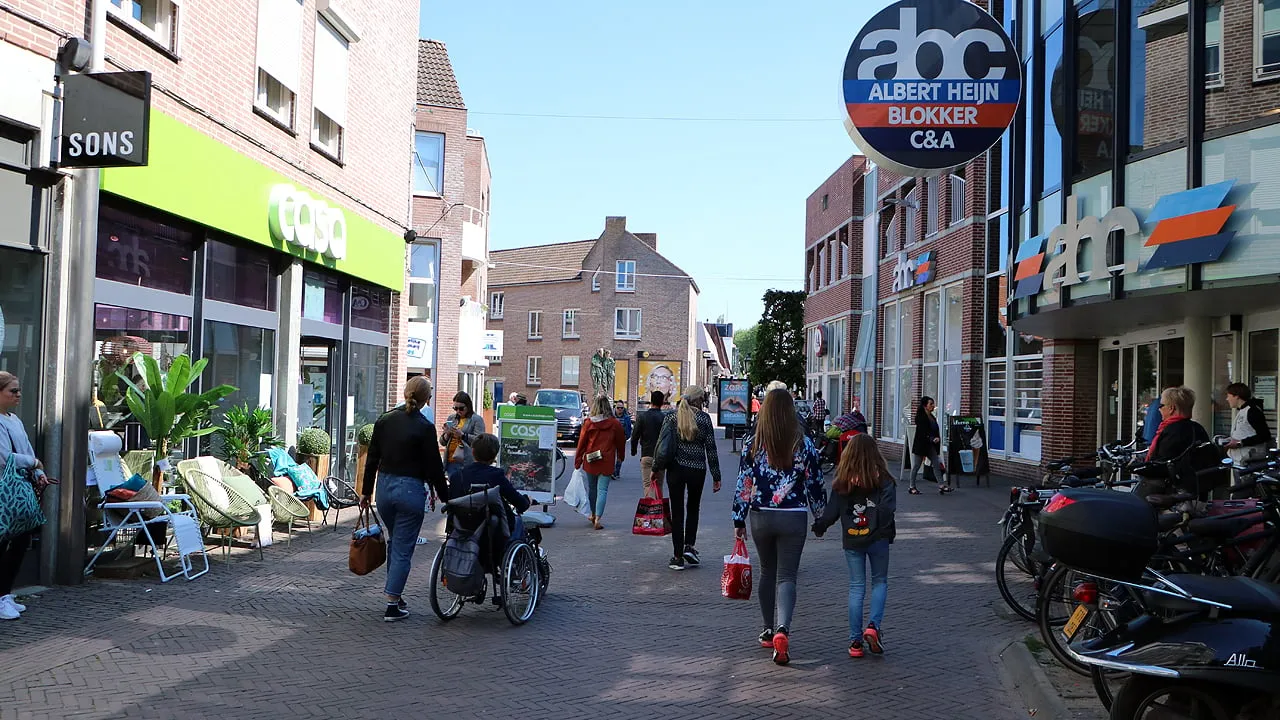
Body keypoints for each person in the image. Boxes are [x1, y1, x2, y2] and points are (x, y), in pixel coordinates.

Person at [732, 388, 826, 665]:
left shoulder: (753, 443)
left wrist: (739, 519)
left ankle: (767, 629)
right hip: (793, 516)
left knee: (766, 571)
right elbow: (815, 484)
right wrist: (820, 516)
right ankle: (783, 629)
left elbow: (743, 484)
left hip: (761, 515)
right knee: (787, 575)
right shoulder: (804, 444)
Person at [361, 376, 448, 622]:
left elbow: (372, 460)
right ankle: (392, 604)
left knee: (395, 543)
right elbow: (434, 468)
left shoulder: (385, 420)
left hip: (385, 489)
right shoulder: (423, 426)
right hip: (410, 491)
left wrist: (366, 492)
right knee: (401, 548)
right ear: (426, 399)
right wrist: (446, 498)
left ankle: (395, 596)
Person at [813, 434, 897, 659]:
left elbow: (831, 511)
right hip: (878, 538)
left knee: (856, 586)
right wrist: (879, 526)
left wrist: (820, 526)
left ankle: (855, 641)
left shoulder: (842, 481)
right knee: (879, 581)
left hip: (852, 539)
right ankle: (873, 626)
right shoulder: (885, 479)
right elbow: (888, 509)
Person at [0, 372, 56, 621]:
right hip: (5, 491)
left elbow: (26, 450)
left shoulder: (15, 420)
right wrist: (33, 462)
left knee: (21, 541)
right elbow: (3, 457)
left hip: (19, 491)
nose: (19, 395)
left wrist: (38, 471)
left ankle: (5, 593)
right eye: (13, 391)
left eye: (19, 390)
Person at [652, 387, 721, 570]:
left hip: (676, 470)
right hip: (698, 470)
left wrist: (655, 469)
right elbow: (711, 449)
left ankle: (677, 556)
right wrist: (716, 475)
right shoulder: (704, 419)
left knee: (677, 510)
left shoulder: (671, 417)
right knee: (693, 508)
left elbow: (661, 446)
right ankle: (689, 547)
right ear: (698, 400)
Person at [447, 434, 531, 577]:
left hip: (462, 527)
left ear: (472, 452)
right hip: (491, 533)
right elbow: (517, 501)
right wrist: (526, 501)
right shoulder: (496, 475)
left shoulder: (457, 476)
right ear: (494, 456)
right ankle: (515, 564)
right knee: (517, 522)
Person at [1137, 386, 1212, 498]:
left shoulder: (1173, 432)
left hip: (1173, 496)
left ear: (1171, 408)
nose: (1158, 409)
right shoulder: (1197, 428)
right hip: (1196, 494)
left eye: (1161, 405)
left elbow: (1163, 466)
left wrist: (1138, 468)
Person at [575, 395, 626, 530]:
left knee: (592, 489)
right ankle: (598, 518)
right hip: (607, 460)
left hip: (591, 459)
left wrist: (578, 460)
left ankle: (592, 514)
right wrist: (621, 456)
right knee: (602, 490)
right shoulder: (615, 424)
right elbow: (621, 442)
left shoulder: (588, 423)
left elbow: (581, 443)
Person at [908, 396, 950, 495]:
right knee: (917, 466)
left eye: (933, 404)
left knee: (936, 463)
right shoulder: (920, 417)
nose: (933, 406)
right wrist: (931, 438)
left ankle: (941, 485)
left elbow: (934, 429)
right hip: (922, 445)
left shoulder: (932, 416)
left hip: (930, 445)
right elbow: (922, 432)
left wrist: (936, 437)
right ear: (925, 405)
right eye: (930, 404)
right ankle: (912, 486)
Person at [1224, 383, 1272, 467]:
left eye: (1229, 396)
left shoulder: (1252, 411)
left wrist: (1240, 443)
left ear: (1237, 396)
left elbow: (1265, 435)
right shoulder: (1243, 411)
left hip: (1250, 461)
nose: (1227, 399)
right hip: (1241, 460)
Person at [440, 391, 485, 477]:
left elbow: (481, 441)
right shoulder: (452, 418)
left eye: (461, 408)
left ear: (468, 406)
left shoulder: (476, 419)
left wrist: (463, 435)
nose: (458, 411)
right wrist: (447, 434)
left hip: (466, 461)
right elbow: (442, 442)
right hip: (450, 461)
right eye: (455, 408)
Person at [632, 391, 667, 499]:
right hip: (660, 457)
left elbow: (635, 436)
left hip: (646, 455)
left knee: (648, 485)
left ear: (651, 401)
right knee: (659, 485)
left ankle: (651, 513)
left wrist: (634, 450)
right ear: (662, 402)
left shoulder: (643, 417)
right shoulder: (664, 418)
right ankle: (659, 510)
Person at [613, 400, 633, 478]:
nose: (620, 409)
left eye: (621, 408)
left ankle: (617, 471)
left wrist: (626, 437)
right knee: (611, 455)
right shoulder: (612, 417)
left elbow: (628, 429)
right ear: (615, 408)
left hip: (621, 439)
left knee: (620, 456)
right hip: (612, 439)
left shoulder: (626, 418)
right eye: (618, 408)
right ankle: (612, 471)